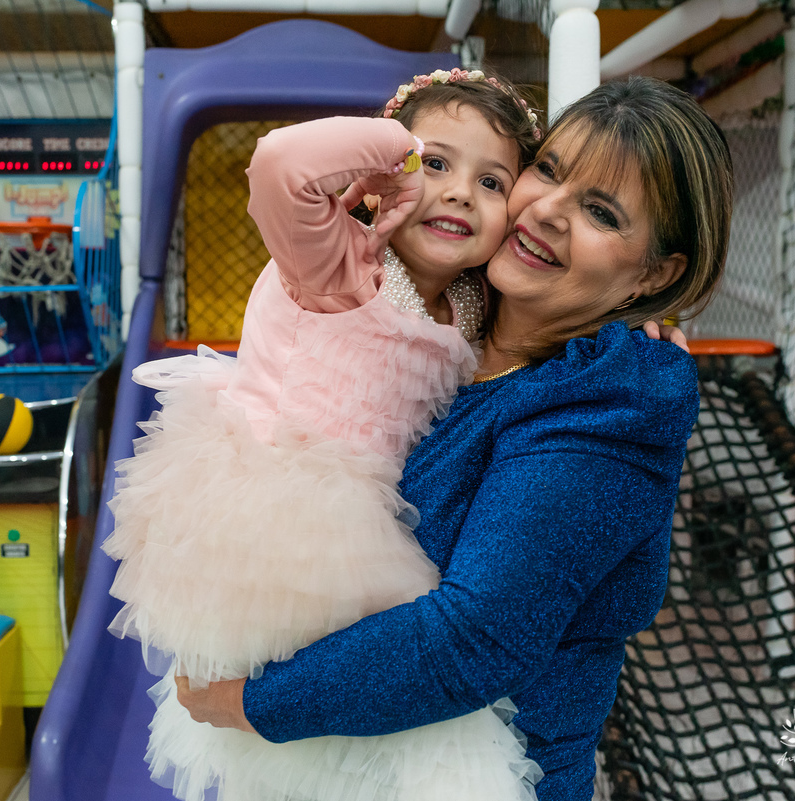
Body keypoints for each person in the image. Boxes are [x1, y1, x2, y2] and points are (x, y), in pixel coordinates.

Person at [171, 76, 733, 801]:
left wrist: (246, 701)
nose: (547, 211)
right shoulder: (452, 307)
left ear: (654, 272)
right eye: (550, 172)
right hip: (342, 762)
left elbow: (474, 638)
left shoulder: (607, 404)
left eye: (599, 211)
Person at [104, 68, 547, 801]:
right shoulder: (341, 260)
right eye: (436, 163)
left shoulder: (469, 302)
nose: (463, 192)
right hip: (282, 528)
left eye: (493, 182)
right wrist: (393, 143)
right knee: (390, 731)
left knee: (353, 741)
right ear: (382, 174)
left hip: (371, 532)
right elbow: (280, 164)